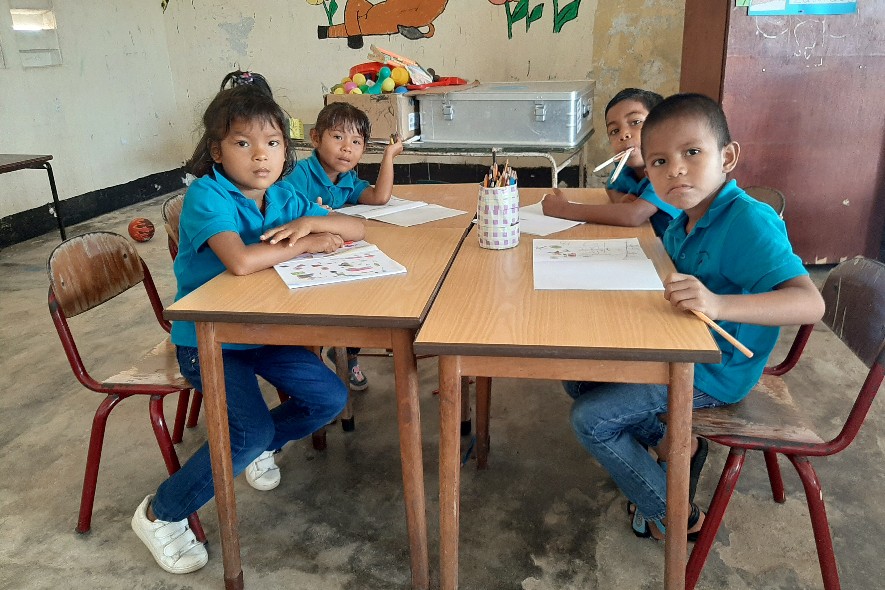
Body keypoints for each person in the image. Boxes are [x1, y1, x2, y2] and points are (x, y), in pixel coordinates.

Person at [567, 93, 825, 540]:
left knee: (591, 419)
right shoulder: (685, 221)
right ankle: (674, 442)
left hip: (717, 369)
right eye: (659, 162)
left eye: (691, 152)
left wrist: (718, 304)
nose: (675, 170)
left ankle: (675, 513)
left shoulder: (748, 221)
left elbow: (809, 303)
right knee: (577, 377)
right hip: (679, 344)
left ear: (727, 157)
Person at [131, 84, 366, 574]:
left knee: (328, 397)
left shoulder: (282, 194)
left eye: (273, 143)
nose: (262, 155)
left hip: (263, 331)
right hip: (209, 340)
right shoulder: (207, 195)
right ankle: (161, 513)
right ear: (217, 151)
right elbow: (239, 261)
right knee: (249, 430)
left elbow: (357, 229)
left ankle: (258, 448)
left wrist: (311, 224)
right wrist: (306, 243)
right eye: (244, 143)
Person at [283, 101, 404, 390]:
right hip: (295, 259)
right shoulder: (299, 175)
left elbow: (379, 198)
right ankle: (312, 360)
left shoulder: (346, 180)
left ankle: (348, 354)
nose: (347, 148)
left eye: (356, 142)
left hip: (330, 256)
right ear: (315, 138)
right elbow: (283, 212)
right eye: (337, 137)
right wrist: (314, 215)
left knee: (362, 294)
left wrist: (389, 155)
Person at [541, 88, 679, 237]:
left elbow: (634, 215)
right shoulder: (626, 169)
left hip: (673, 251)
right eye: (614, 131)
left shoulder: (668, 172)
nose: (623, 135)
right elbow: (611, 187)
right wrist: (620, 199)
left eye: (636, 122)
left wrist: (564, 209)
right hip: (649, 242)